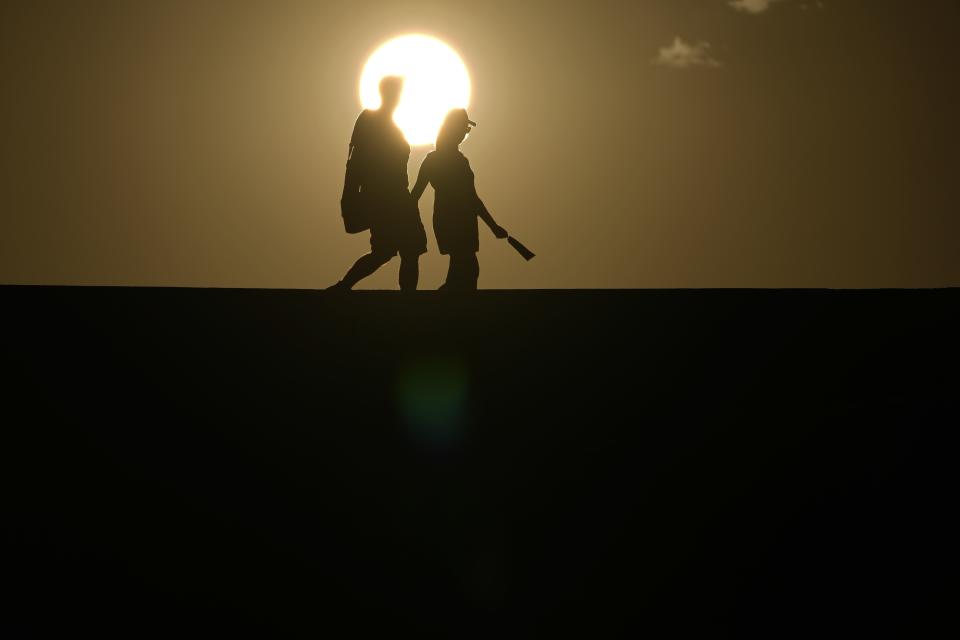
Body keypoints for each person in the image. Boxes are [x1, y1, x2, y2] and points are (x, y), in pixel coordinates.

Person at [329, 76, 427, 291]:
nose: (398, 97)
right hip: (383, 197)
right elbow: (355, 162)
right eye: (395, 92)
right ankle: (343, 286)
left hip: (400, 196)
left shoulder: (393, 125)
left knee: (410, 251)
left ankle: (407, 299)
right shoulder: (369, 120)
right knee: (385, 251)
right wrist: (350, 195)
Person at [411, 109, 508, 290]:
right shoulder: (453, 162)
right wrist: (493, 226)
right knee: (467, 267)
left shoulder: (437, 160)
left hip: (455, 218)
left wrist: (493, 226)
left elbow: (414, 196)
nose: (465, 133)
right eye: (464, 129)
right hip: (455, 219)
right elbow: (471, 199)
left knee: (464, 268)